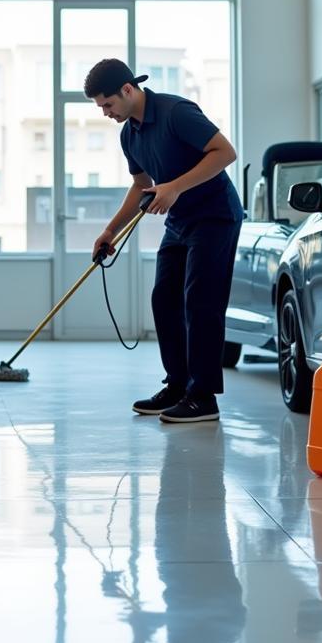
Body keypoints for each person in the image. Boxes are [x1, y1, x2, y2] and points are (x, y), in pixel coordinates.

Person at [85, 58, 243, 423]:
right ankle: (178, 384)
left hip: (215, 216)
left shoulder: (176, 112)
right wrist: (110, 230)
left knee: (200, 301)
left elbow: (225, 153)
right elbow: (141, 186)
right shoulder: (130, 134)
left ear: (127, 89)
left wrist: (174, 187)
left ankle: (203, 396)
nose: (106, 113)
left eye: (107, 104)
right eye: (101, 108)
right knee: (164, 299)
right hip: (179, 222)